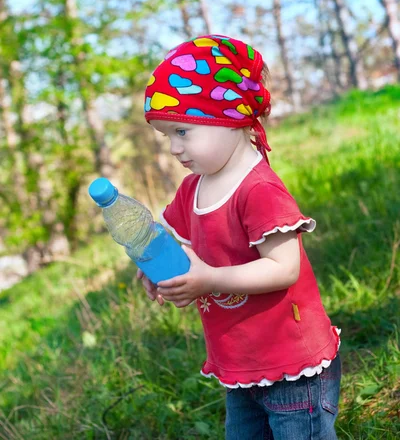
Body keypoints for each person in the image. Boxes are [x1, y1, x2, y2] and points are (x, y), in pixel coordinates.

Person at [138, 34, 341, 440]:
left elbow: (285, 268)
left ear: (228, 119)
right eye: (167, 137)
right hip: (241, 362)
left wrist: (210, 280)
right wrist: (160, 271)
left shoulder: (258, 189)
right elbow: (182, 248)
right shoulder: (193, 188)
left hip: (290, 361)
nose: (174, 149)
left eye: (182, 131)